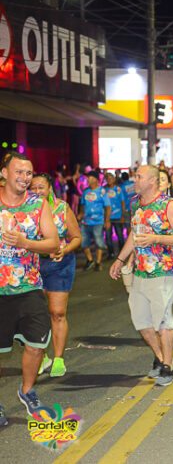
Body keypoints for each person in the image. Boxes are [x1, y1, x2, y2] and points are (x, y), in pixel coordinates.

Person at [109, 165, 173, 387]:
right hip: (141, 269)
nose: (135, 180)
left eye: (139, 177)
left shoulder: (168, 205)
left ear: (153, 181)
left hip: (165, 268)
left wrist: (157, 238)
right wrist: (120, 259)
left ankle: (167, 368)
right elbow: (134, 235)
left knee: (162, 318)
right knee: (141, 319)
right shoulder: (136, 203)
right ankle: (161, 357)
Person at [0, 152, 59, 422]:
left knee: (36, 345)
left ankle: (27, 390)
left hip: (29, 287)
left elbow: (53, 243)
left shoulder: (38, 204)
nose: (25, 178)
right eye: (19, 172)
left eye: (28, 173)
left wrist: (26, 243)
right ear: (4, 173)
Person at [31, 174, 81, 378]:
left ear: (50, 188)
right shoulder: (24, 211)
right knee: (34, 315)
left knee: (57, 312)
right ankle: (41, 357)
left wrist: (65, 249)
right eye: (33, 188)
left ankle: (58, 359)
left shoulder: (62, 208)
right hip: (32, 265)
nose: (37, 192)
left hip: (60, 265)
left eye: (41, 187)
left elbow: (76, 237)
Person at [78, 171, 111, 271]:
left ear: (96, 179)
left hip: (98, 221)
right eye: (88, 178)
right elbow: (82, 205)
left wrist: (107, 221)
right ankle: (90, 260)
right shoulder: (85, 192)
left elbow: (107, 207)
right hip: (86, 221)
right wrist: (80, 214)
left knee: (98, 241)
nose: (88, 180)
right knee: (84, 242)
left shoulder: (102, 191)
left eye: (91, 178)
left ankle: (98, 262)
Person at [104, 172, 126, 260]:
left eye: (111, 178)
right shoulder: (104, 190)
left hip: (118, 216)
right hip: (108, 217)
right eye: (107, 178)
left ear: (114, 179)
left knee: (120, 236)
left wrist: (123, 215)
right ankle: (111, 253)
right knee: (108, 237)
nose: (109, 180)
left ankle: (122, 254)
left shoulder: (118, 189)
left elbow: (123, 202)